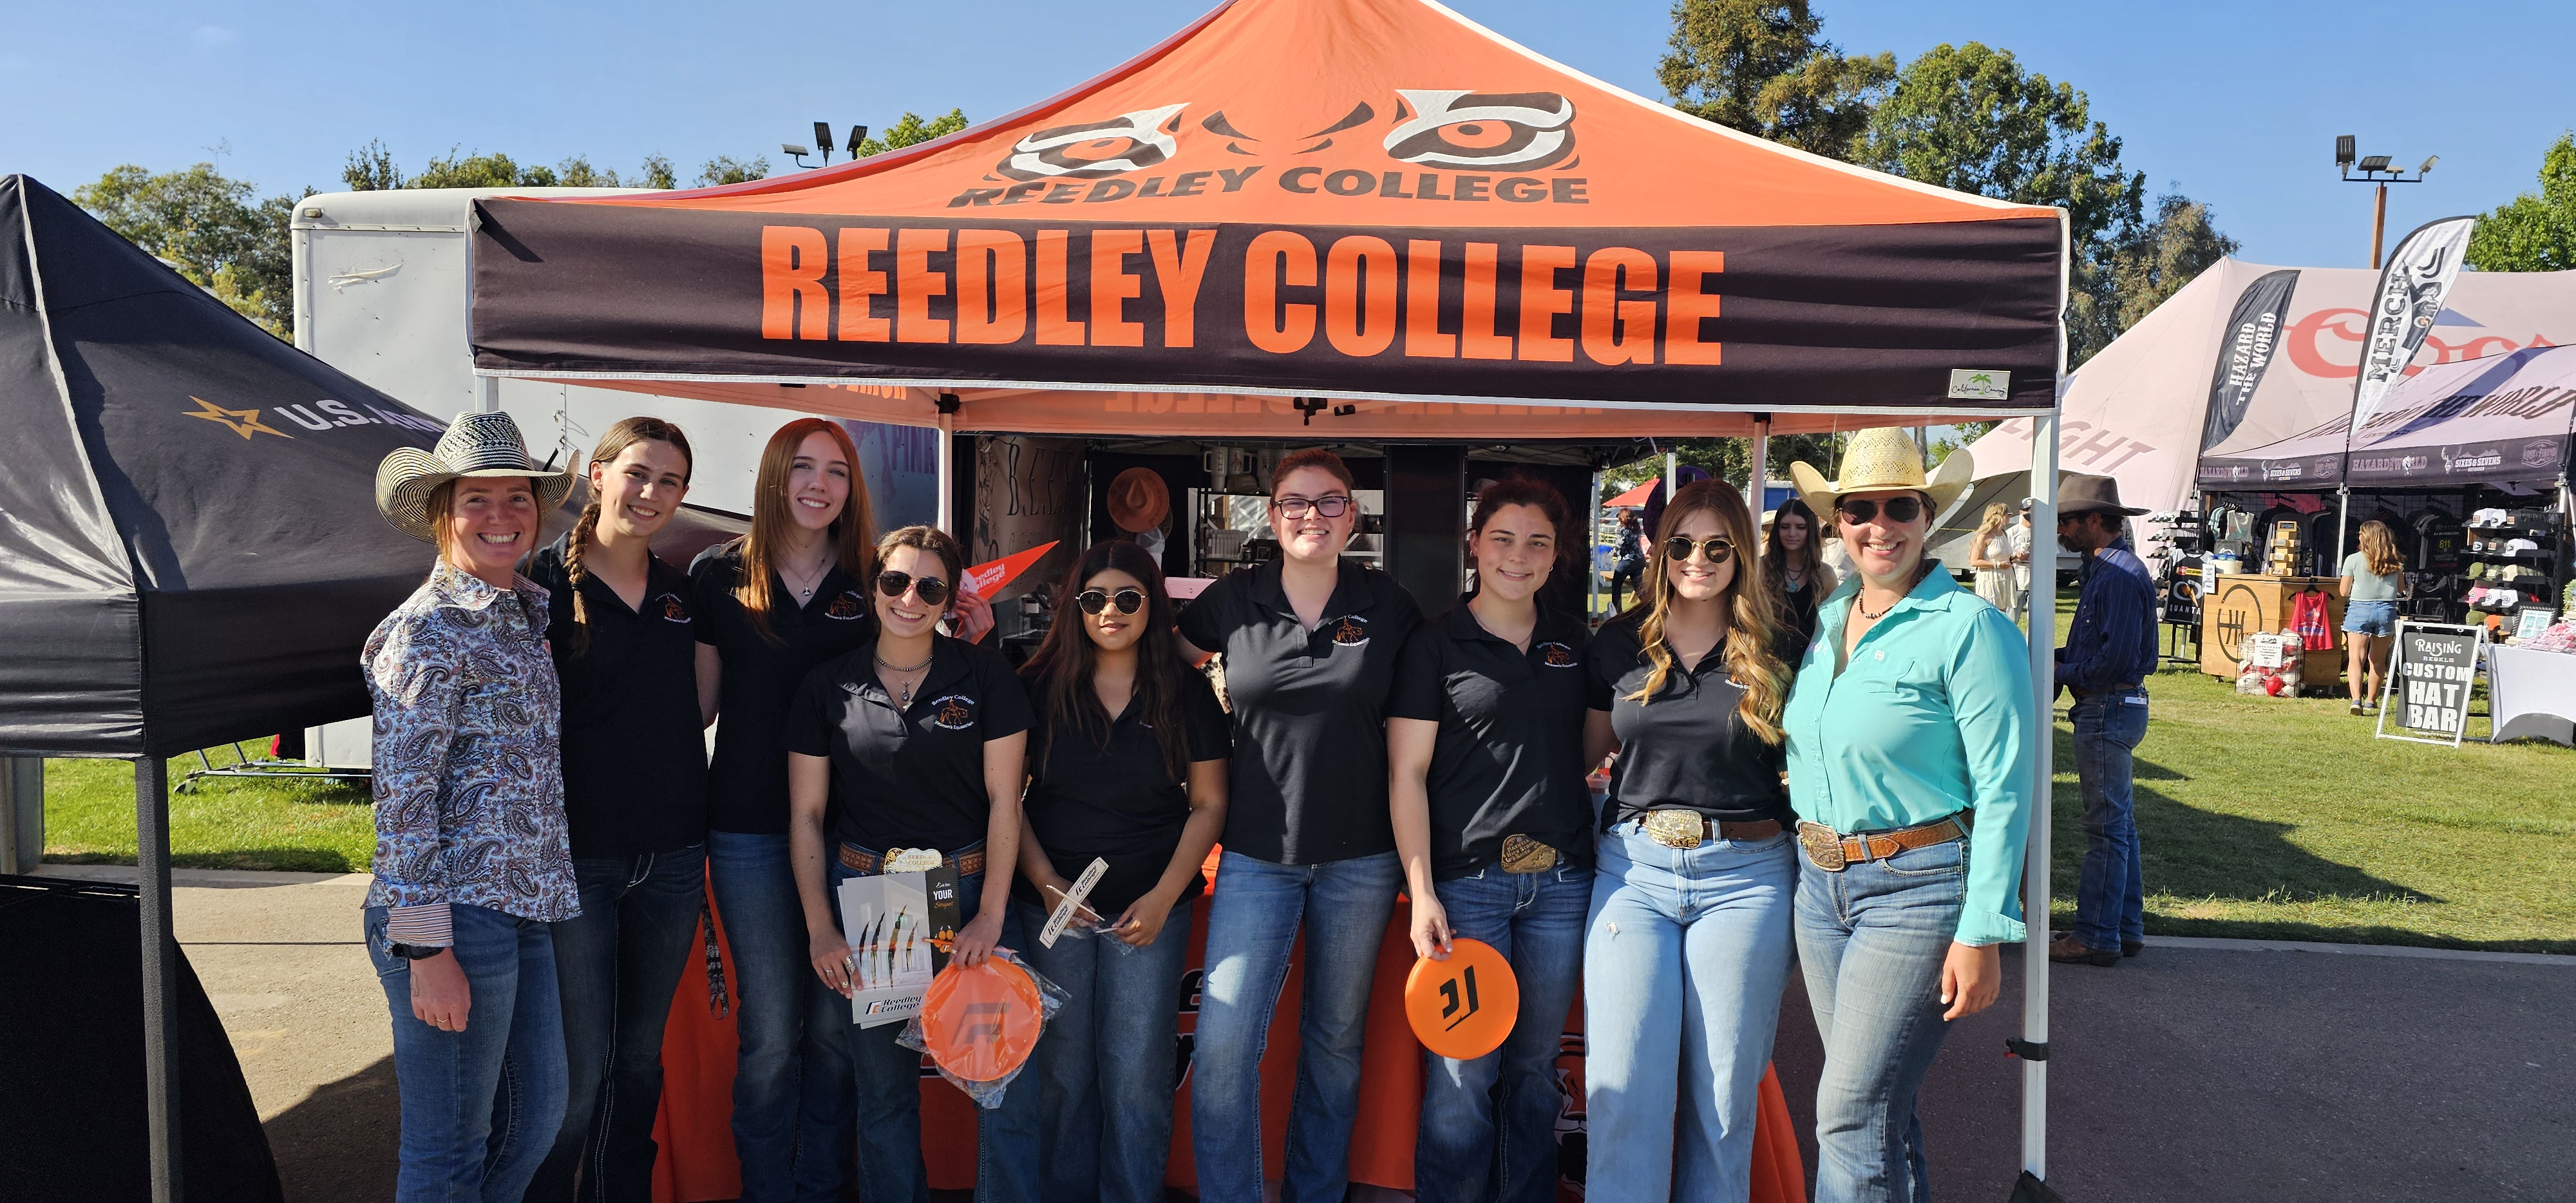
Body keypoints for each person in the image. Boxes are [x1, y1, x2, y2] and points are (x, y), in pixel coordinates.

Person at [691, 420, 994, 1202]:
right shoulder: (715, 575)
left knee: (837, 1033)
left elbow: (928, 664)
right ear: (772, 476)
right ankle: (770, 1188)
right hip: (752, 829)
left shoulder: (876, 582)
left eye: (835, 469)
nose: (818, 484)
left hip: (859, 846)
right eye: (802, 467)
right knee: (768, 1034)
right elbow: (692, 707)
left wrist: (975, 633)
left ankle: (824, 1184)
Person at [1781, 427, 2032, 1202]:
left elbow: (2006, 785)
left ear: (1928, 517)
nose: (1878, 525)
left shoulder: (1969, 627)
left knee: (1848, 1110)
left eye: (1900, 507)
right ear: (1837, 521)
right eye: (1860, 509)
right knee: (1878, 1109)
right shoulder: (1827, 623)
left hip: (1917, 889)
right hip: (1819, 888)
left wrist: (1982, 927)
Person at [1177, 448, 1423, 1203]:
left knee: (1335, 1047)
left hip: (1364, 859)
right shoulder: (1232, 598)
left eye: (1327, 502)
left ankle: (1316, 1192)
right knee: (1221, 1050)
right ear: (1271, 513)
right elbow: (1162, 669)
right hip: (1254, 852)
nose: (1309, 515)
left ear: (1352, 515)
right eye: (1293, 501)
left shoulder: (1390, 605)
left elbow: (1419, 734)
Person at [361, 412, 579, 1203]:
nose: (501, 516)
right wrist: (425, 949)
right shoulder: (428, 629)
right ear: (440, 513)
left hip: (522, 903)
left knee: (534, 1116)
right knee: (448, 1146)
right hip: (451, 911)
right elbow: (403, 797)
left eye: (517, 497)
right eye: (476, 499)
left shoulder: (522, 613)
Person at [786, 524, 1039, 1201]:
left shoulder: (985, 674)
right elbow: (807, 814)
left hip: (971, 886)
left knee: (1002, 1081)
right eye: (895, 580)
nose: (909, 597)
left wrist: (989, 914)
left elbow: (1004, 800)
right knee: (884, 1091)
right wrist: (819, 926)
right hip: (876, 899)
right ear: (873, 587)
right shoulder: (827, 684)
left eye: (930, 585)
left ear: (950, 596)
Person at [1578, 477, 1800, 1202]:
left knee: (1724, 1099)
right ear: (1658, 549)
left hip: (1747, 876)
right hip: (1633, 872)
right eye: (1681, 544)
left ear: (1741, 551)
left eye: (1715, 546)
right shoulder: (1619, 640)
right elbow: (1579, 753)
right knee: (1623, 1089)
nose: (1696, 560)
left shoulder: (1780, 645)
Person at [1387, 477, 1593, 1203]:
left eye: (1537, 542)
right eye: (1502, 538)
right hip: (1466, 886)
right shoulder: (1435, 644)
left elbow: (1591, 745)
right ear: (1473, 543)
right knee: (1460, 1070)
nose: (1518, 555)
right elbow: (1405, 774)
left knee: (1535, 1069)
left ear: (1555, 554)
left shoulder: (1576, 640)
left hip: (1561, 883)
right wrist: (1421, 892)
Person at [1012, 542, 1231, 1203]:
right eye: (1095, 599)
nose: (1111, 611)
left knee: (1136, 1072)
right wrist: (1046, 878)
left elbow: (1210, 802)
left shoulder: (1186, 690)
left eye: (1128, 598)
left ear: (1152, 605)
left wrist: (1165, 896)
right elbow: (1006, 798)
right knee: (1063, 1071)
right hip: (1053, 909)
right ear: (1074, 608)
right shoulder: (1034, 686)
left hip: (1151, 910)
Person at [525, 419, 708, 1203]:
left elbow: (702, 705)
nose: (651, 493)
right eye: (637, 473)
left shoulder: (682, 591)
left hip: (671, 857)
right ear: (596, 475)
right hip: (578, 861)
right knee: (575, 1069)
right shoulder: (538, 583)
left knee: (639, 1062)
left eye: (669, 482)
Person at [2049, 473, 2158, 970]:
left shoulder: (2114, 576)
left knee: (2107, 828)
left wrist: (2058, 670)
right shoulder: (2114, 569)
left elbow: (2112, 661)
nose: (2061, 531)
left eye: (2066, 521)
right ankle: (2122, 927)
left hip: (2107, 705)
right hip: (2116, 705)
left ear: (2095, 520)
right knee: (2119, 826)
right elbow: (2105, 651)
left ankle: (2096, 935)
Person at [2340, 520, 2405, 716]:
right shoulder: (2395, 560)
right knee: (2377, 661)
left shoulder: (2353, 559)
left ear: (2366, 537)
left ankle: (2356, 701)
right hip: (2386, 610)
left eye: (2360, 533)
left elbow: (2343, 591)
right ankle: (2371, 702)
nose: (2358, 536)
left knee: (2356, 659)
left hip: (2360, 608)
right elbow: (2401, 589)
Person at [1763, 496, 1838, 647]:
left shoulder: (1825, 574)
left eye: (1800, 527)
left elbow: (1836, 625)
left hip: (1810, 663)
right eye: (1785, 527)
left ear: (1810, 531)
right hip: (1766, 662)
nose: (1792, 533)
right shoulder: (1760, 568)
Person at [1969, 502, 2018, 614]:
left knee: (2002, 611)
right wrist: (1998, 565)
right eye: (2008, 514)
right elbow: (1974, 561)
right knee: (1990, 611)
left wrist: (2016, 558)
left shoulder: (2004, 534)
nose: (2010, 516)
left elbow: (2005, 556)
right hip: (1990, 578)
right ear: (1999, 515)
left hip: (2005, 577)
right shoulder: (1984, 535)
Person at [1609, 509, 1645, 612]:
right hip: (1639, 559)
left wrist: (1614, 552)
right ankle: (1649, 607)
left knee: (1616, 585)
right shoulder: (1637, 528)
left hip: (1627, 560)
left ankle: (1617, 611)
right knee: (1638, 586)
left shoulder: (1622, 529)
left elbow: (1620, 544)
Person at [2008, 499, 2036, 622]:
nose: (2030, 513)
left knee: (2035, 619)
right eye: (2027, 510)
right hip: (2018, 578)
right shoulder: (2013, 532)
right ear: (2021, 512)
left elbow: (2051, 557)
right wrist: (2017, 557)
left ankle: (2033, 642)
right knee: (2013, 615)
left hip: (2037, 580)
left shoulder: (2043, 532)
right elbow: (2004, 557)